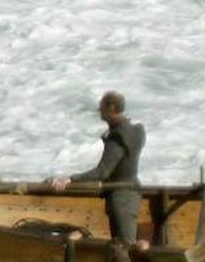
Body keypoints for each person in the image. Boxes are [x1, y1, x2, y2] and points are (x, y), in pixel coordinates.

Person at [52, 91, 145, 243]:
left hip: (121, 198)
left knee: (125, 246)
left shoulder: (118, 138)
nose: (99, 111)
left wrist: (71, 179)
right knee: (123, 244)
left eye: (102, 108)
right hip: (131, 192)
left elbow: (103, 171)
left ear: (111, 108)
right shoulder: (138, 130)